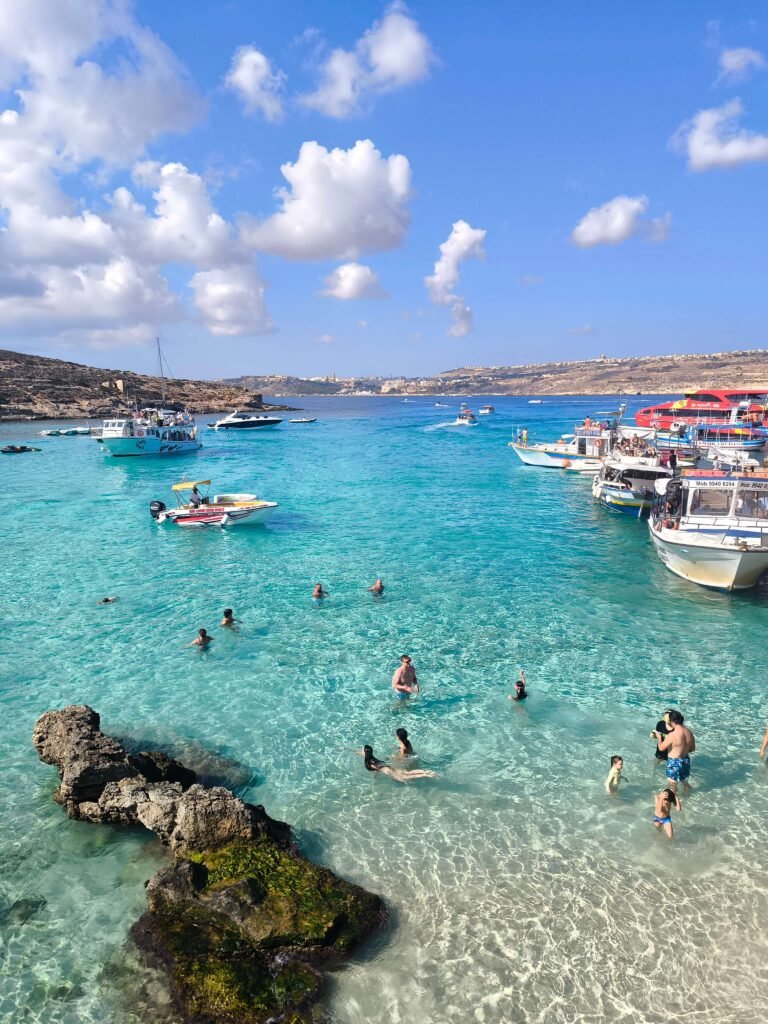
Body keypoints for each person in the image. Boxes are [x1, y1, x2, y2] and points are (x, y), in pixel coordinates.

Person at [656, 710, 695, 795]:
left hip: (674, 762)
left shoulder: (672, 735)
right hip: (685, 761)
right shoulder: (689, 732)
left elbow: (661, 748)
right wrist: (682, 748)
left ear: (672, 721)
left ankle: (674, 804)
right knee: (684, 781)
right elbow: (692, 749)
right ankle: (686, 796)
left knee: (671, 786)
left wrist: (659, 737)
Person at [361, 745, 437, 782]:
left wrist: (374, 779)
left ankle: (426, 775)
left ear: (365, 753)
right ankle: (426, 772)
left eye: (362, 750)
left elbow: (375, 771)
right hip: (390, 767)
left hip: (389, 771)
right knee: (408, 773)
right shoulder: (373, 759)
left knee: (405, 777)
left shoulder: (369, 764)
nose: (361, 751)